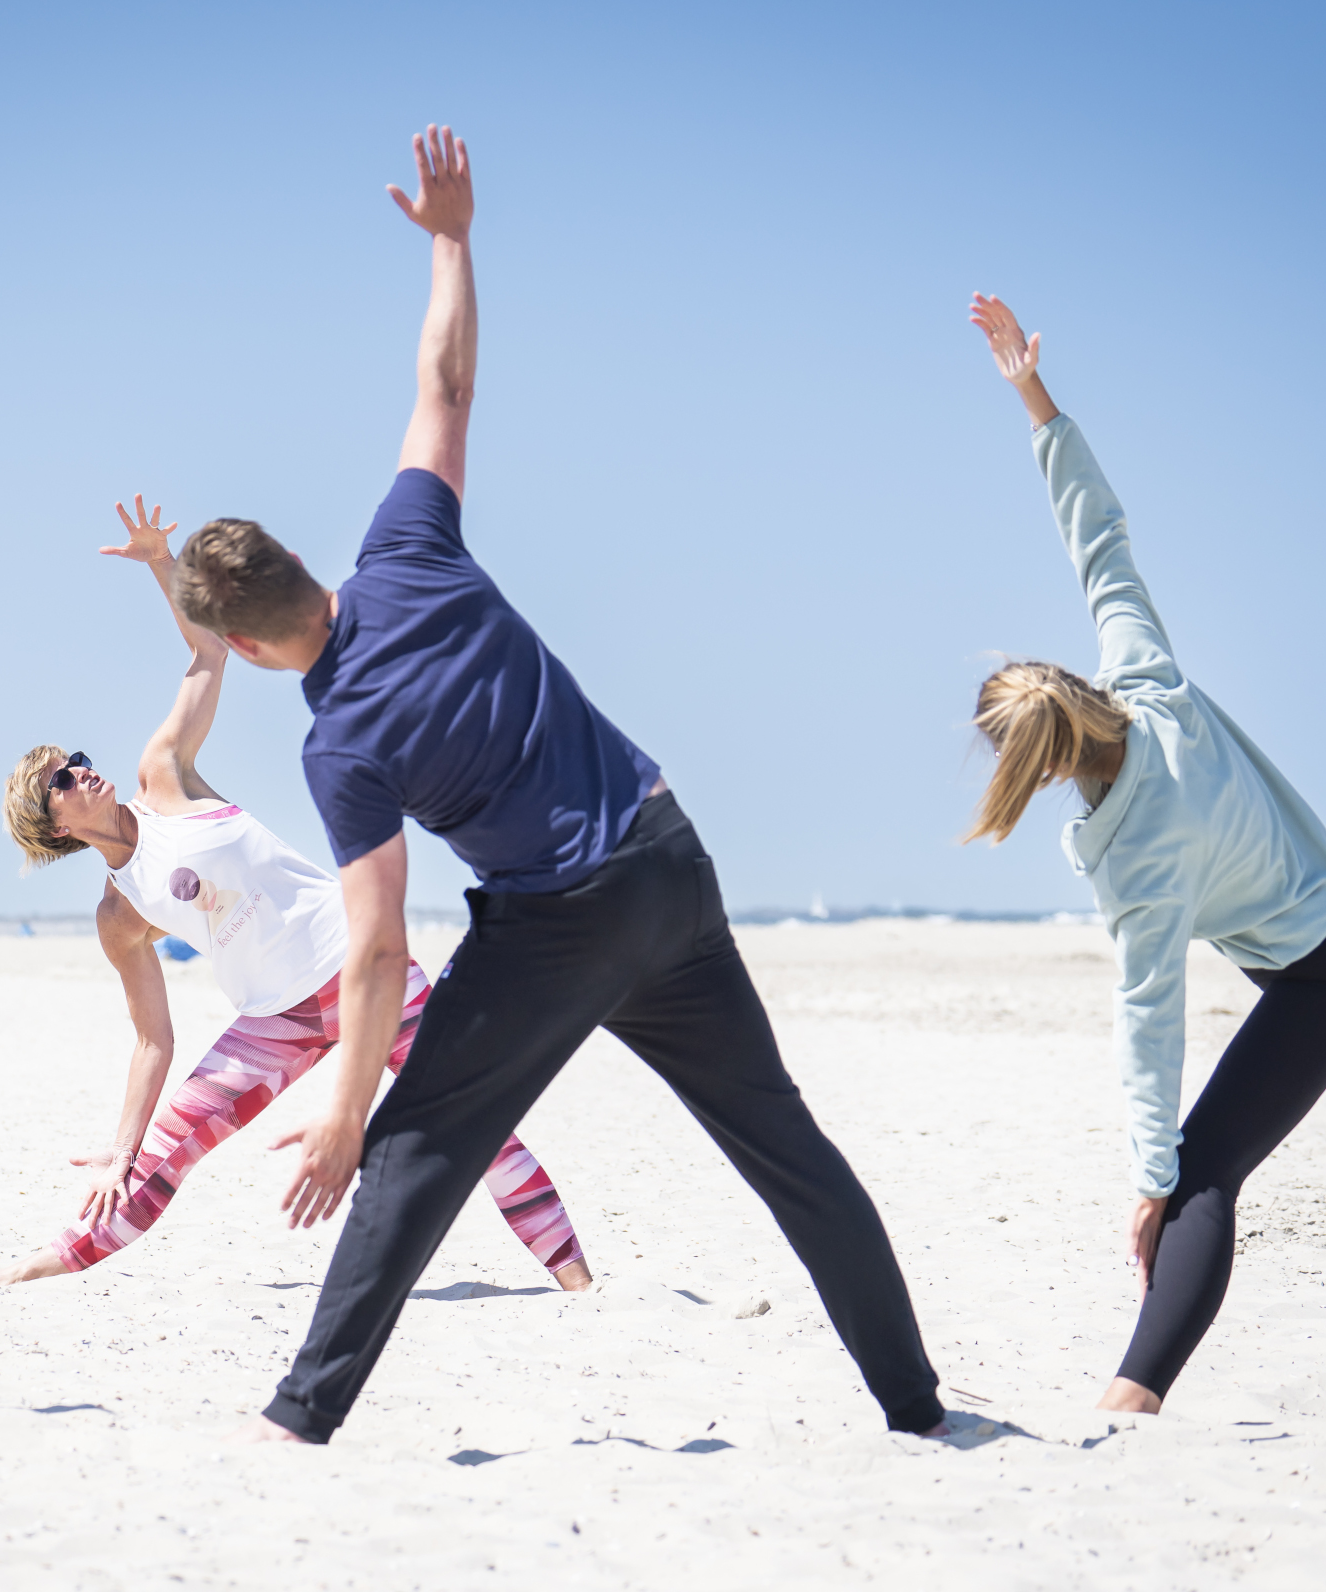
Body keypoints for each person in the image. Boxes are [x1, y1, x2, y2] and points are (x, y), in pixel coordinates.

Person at [170, 127, 947, 1445]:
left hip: (561, 922)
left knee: (418, 1154)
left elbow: (372, 952)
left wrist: (346, 1109)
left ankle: (298, 1418)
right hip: (669, 861)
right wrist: (452, 240)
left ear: (242, 648)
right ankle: (918, 1408)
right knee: (787, 1151)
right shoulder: (407, 545)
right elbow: (446, 383)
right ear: (304, 560)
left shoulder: (339, 741)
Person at [962, 293, 1326, 1413]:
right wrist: (1030, 394)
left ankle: (1131, 1399)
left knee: (1198, 1176)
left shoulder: (1131, 856)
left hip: (1325, 973)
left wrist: (1147, 1175)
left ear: (1035, 771)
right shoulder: (1147, 678)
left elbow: (1150, 1017)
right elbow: (1098, 536)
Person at [0, 496, 592, 1290]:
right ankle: (50, 1262)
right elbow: (151, 1039)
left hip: (362, 965)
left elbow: (208, 655)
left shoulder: (164, 774)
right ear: (54, 825)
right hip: (275, 1019)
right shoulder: (119, 914)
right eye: (60, 780)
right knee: (167, 1155)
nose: (78, 770)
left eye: (74, 758)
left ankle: (579, 1286)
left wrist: (162, 566)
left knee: (475, 1122)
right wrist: (123, 1146)